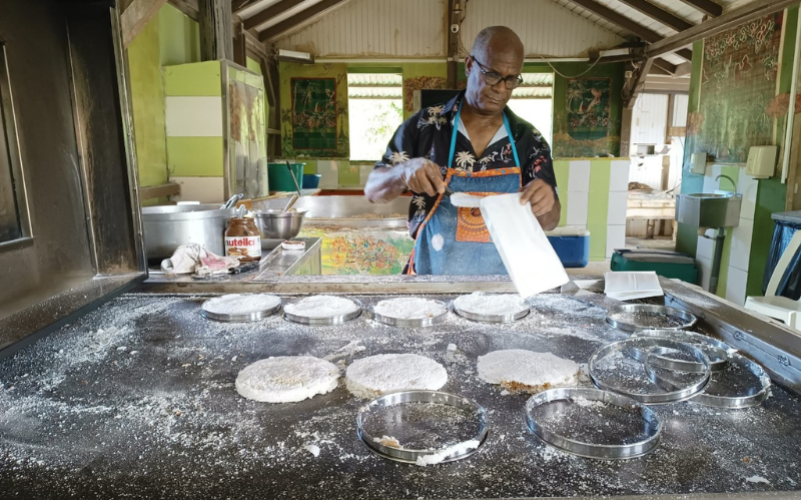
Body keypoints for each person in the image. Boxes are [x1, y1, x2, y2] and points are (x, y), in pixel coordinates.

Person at [364, 26, 560, 275]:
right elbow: (373, 191)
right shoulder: (425, 126)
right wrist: (404, 171)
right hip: (431, 276)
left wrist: (546, 204)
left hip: (503, 285)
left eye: (511, 79)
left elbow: (551, 221)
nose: (501, 88)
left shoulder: (529, 140)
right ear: (469, 65)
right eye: (492, 74)